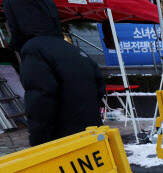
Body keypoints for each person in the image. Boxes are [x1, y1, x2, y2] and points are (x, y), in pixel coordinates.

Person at [3, 0, 106, 146]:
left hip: (64, 142)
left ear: (17, 19)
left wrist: (39, 144)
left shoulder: (34, 50)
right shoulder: (73, 49)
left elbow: (40, 103)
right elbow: (99, 87)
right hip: (92, 136)